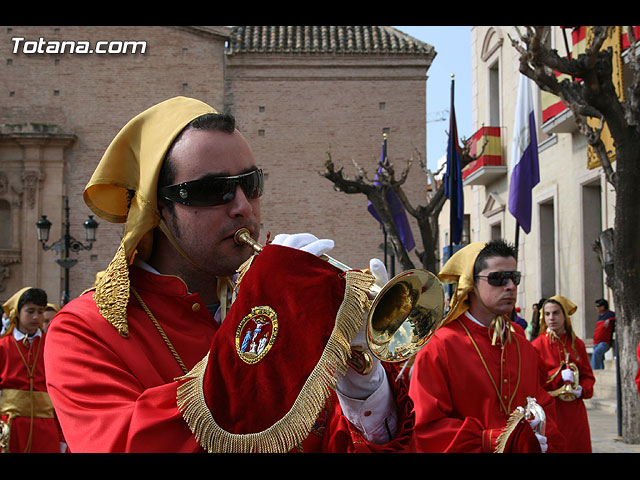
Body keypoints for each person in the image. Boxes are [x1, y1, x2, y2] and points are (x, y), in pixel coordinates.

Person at [43, 96, 414, 453]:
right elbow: (130, 444)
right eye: (212, 190)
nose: (242, 207)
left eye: (251, 184)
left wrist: (365, 388)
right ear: (155, 209)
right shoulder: (83, 329)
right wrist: (268, 306)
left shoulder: (275, 300)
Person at [409, 240, 565, 453]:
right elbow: (427, 427)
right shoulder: (441, 345)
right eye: (498, 279)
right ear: (470, 284)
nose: (510, 286)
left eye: (514, 278)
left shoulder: (522, 344)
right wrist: (493, 440)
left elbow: (543, 406)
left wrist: (541, 435)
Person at [0, 287, 61, 453]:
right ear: (17, 313)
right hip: (10, 424)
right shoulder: (3, 346)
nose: (36, 317)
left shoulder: (52, 346)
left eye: (40, 311)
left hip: (46, 425)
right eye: (30, 311)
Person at [532, 296, 595, 453]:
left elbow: (588, 376)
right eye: (547, 314)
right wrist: (558, 375)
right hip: (551, 410)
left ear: (564, 315)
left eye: (555, 313)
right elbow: (533, 381)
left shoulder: (577, 344)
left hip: (575, 410)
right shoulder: (536, 345)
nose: (551, 318)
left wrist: (581, 389)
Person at [591, 298, 615, 370]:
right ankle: (600, 370)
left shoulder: (610, 314)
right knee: (600, 358)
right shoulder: (600, 316)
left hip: (604, 342)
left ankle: (593, 370)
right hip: (596, 342)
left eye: (598, 306)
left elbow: (617, 317)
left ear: (603, 307)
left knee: (596, 353)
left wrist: (609, 320)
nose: (596, 308)